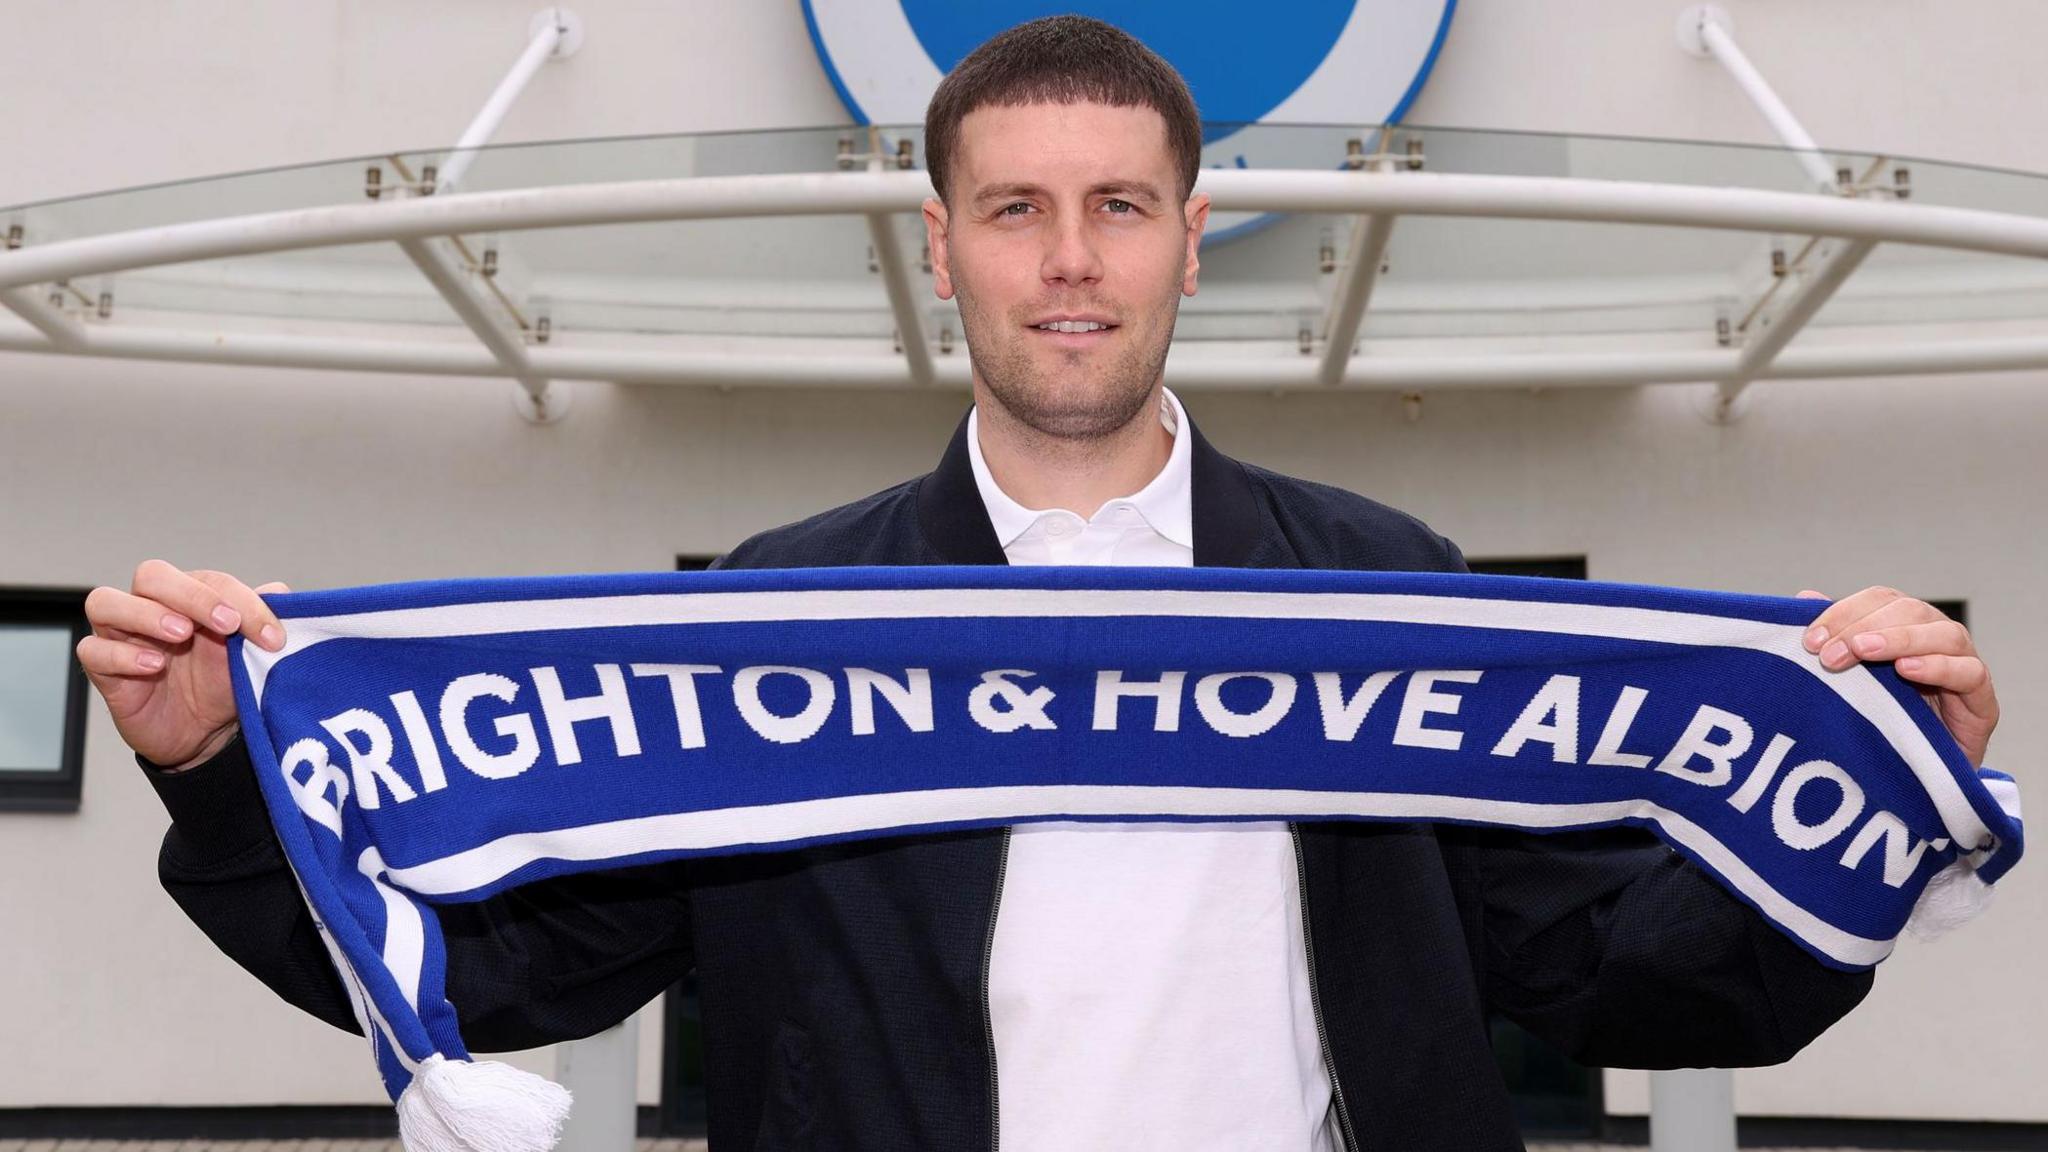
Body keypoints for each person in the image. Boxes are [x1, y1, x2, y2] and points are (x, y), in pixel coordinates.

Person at [81, 17, 2000, 1152]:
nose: (1067, 260)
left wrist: (1875, 795)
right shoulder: (783, 621)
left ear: (1190, 238)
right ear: (942, 248)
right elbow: (504, 955)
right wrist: (219, 775)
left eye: (1118, 207)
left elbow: (1612, 963)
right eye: (1014, 209)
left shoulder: (1379, 596)